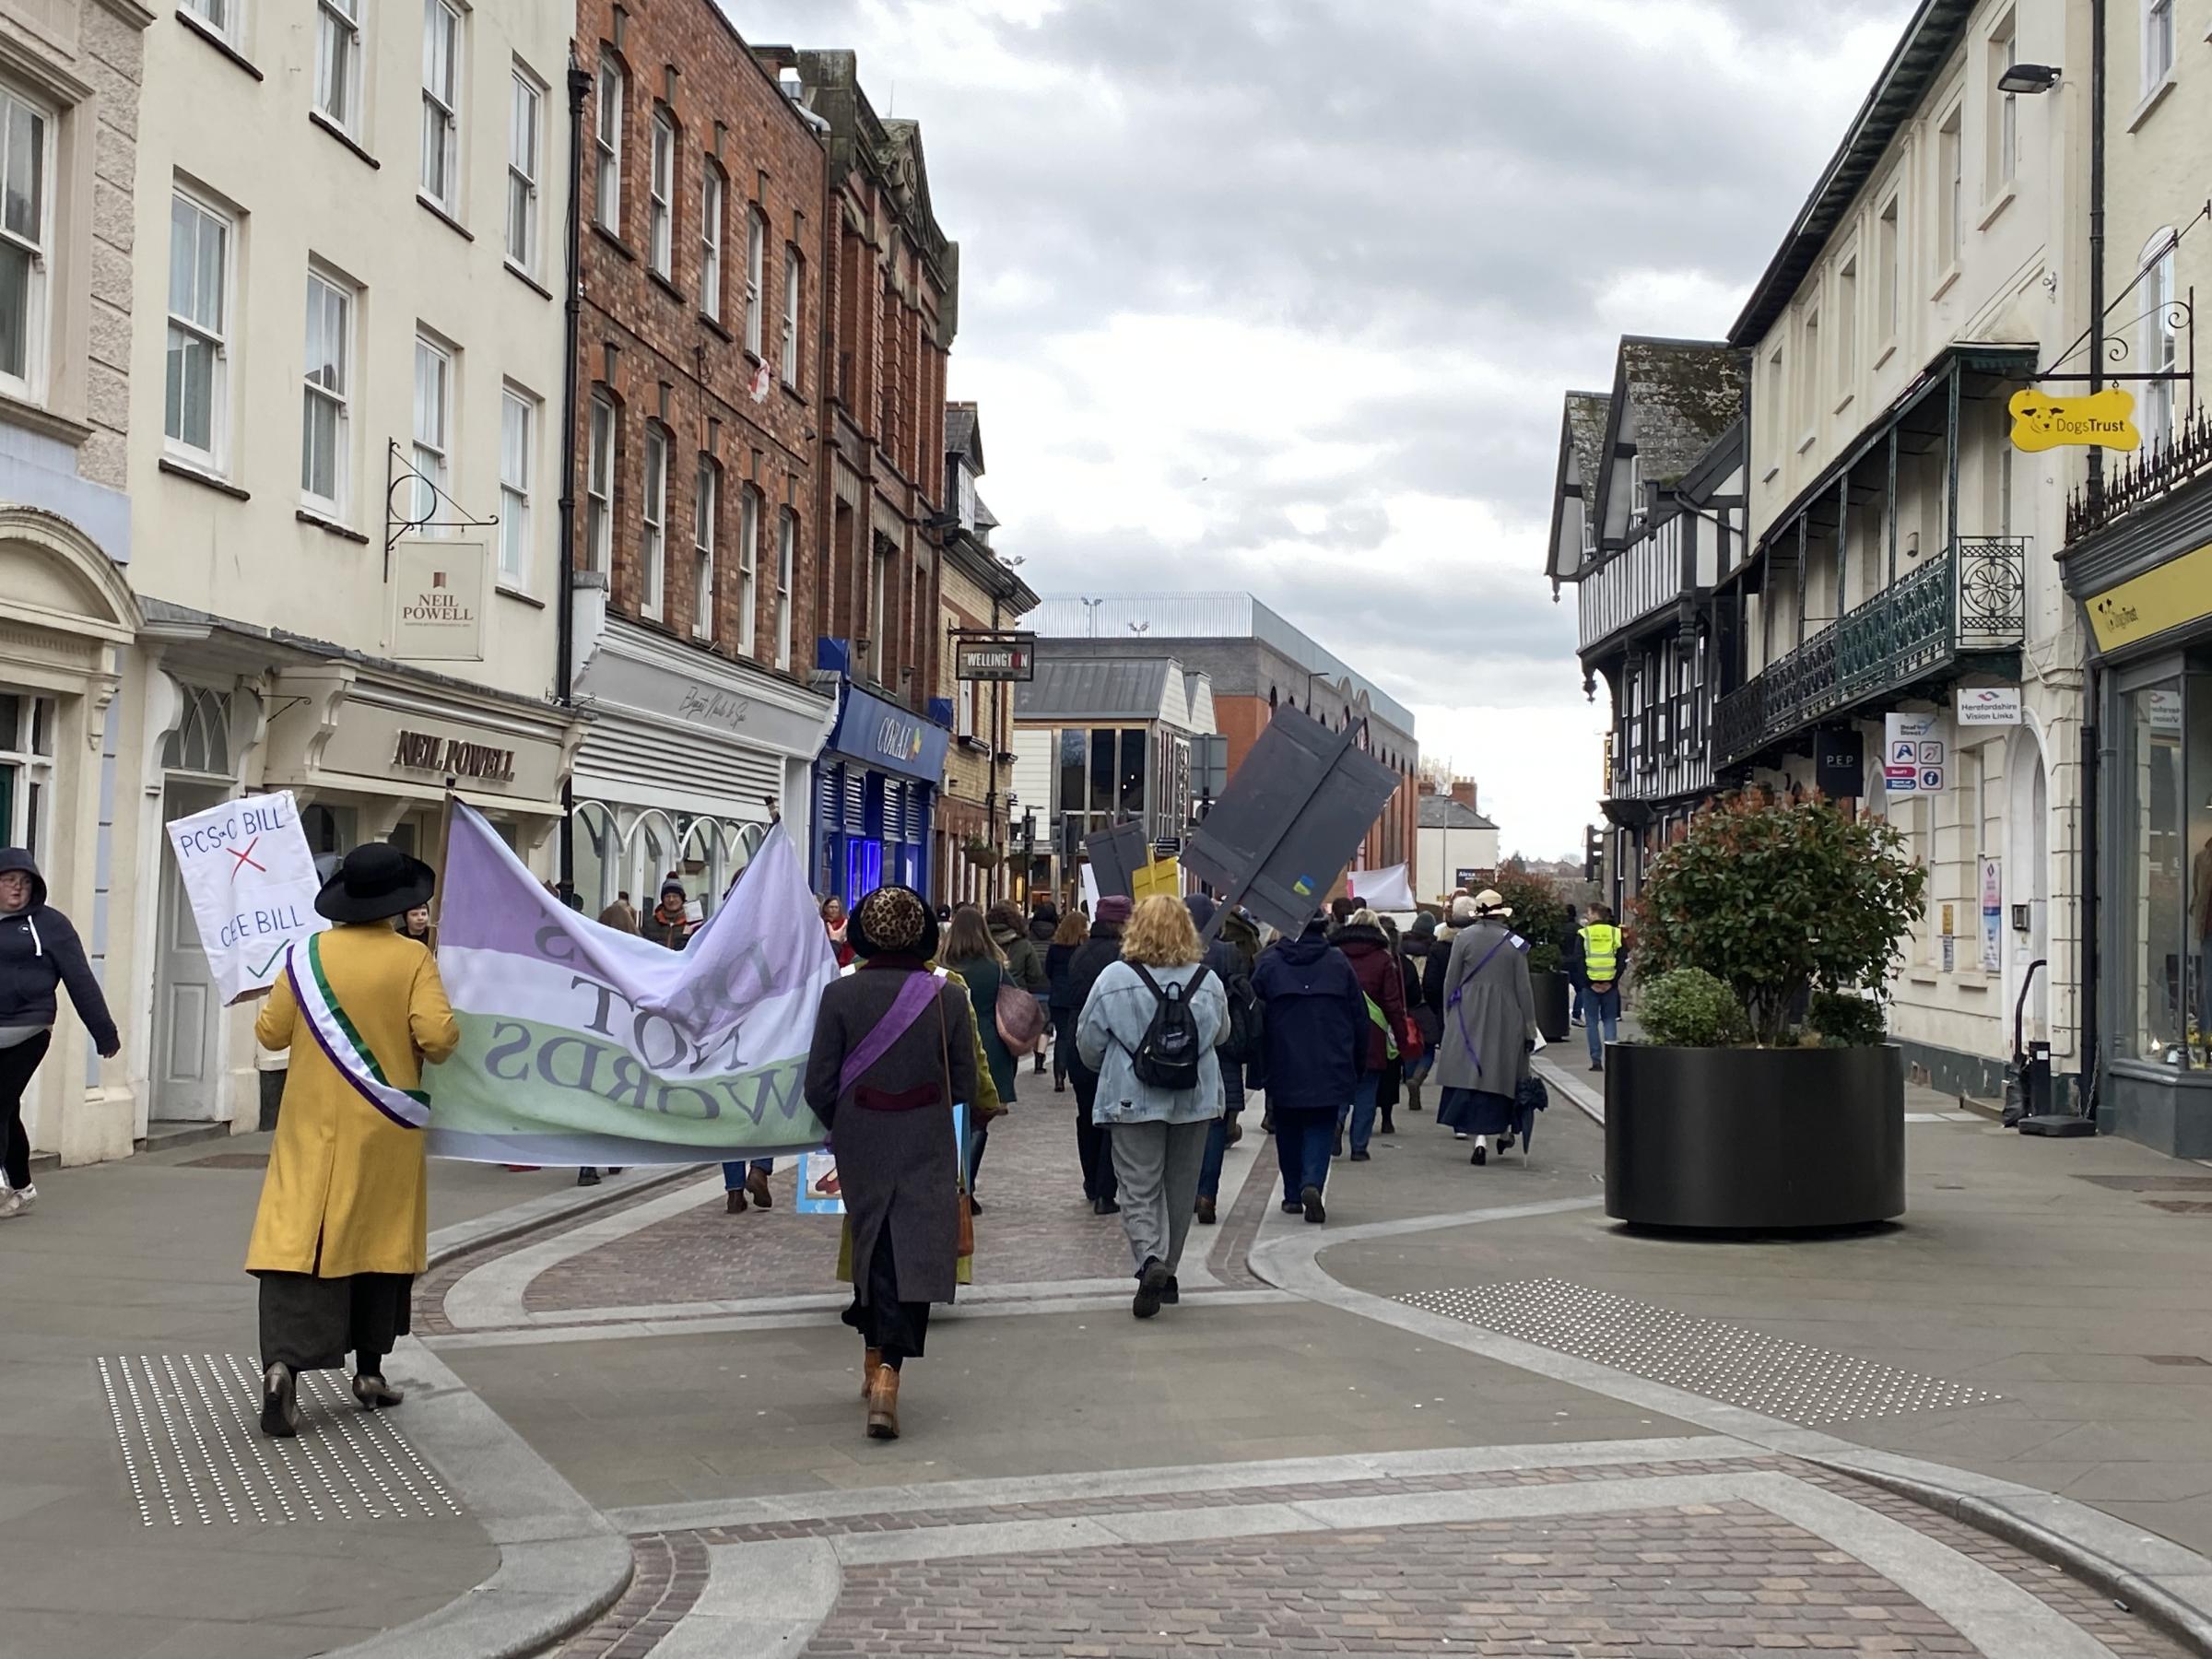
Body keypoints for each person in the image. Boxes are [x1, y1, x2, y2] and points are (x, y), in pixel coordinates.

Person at [247, 843, 458, 1436]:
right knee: (377, 1245)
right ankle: (369, 1372)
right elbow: (438, 1038)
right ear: (397, 904)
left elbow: (271, 1034)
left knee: (300, 1242)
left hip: (308, 1129)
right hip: (383, 1130)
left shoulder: (305, 954)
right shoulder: (412, 960)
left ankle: (282, 1368)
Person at [804, 885, 979, 1440]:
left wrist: (848, 1117)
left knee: (872, 1240)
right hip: (925, 1136)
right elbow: (966, 1084)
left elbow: (817, 1084)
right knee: (917, 1250)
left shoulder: (839, 996)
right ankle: (889, 1373)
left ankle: (871, 1351)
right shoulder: (947, 996)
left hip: (862, 1136)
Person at [1077, 895, 1230, 1318]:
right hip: (1194, 1097)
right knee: (1180, 1190)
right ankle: (1171, 1271)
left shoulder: (1114, 978)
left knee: (1138, 1187)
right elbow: (1222, 1035)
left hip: (1131, 1098)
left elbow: (1088, 1042)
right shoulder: (1207, 981)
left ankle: (1149, 1259)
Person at [0, 849, 120, 1218]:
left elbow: (80, 978)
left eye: (24, 882)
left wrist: (104, 1032)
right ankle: (22, 1184)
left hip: (29, 1027)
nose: (17, 889)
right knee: (7, 1107)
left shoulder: (51, 925)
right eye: (8, 881)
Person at [1249, 912, 1367, 1224]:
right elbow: (1359, 1017)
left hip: (1282, 1059)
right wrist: (1359, 1060)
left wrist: (1257, 1061)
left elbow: (1253, 1017)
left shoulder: (1270, 963)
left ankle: (1291, 1195)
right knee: (1321, 1123)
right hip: (1330, 1058)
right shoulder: (1338, 963)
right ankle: (1312, 1182)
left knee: (1287, 1126)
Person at [1435, 888, 1537, 1165]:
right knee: (1502, 1073)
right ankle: (1503, 1129)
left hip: (1467, 1013)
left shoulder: (1463, 939)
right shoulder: (1516, 943)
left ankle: (1478, 1139)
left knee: (1471, 1072)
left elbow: (1450, 981)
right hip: (1506, 1016)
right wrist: (1530, 1026)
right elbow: (1524, 990)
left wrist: (1449, 1016)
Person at [1184, 894, 1251, 1226]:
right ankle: (1206, 1192)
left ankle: (1183, 1192)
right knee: (1213, 1125)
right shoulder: (1228, 953)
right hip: (1219, 1050)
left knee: (1181, 1122)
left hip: (1179, 1050)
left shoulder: (1174, 952)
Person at [940, 906, 1013, 1206]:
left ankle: (954, 1181)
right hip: (989, 1046)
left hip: (948, 1043)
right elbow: (1017, 1000)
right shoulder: (995, 968)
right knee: (979, 1120)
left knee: (951, 1116)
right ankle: (965, 1187)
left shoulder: (942, 967)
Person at [1065, 896, 1130, 1212]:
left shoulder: (1080, 953)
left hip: (1076, 1041)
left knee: (1085, 1114)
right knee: (1112, 1119)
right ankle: (1106, 1192)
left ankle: (1090, 1182)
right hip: (1112, 1044)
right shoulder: (1123, 957)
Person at [1333, 908, 1406, 1161]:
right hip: (1373, 1032)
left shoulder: (1336, 955)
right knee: (1367, 1090)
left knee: (1341, 1085)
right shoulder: (1384, 959)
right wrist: (1402, 1036)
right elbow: (1393, 1003)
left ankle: (1337, 1122)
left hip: (1340, 1029)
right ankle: (1359, 1147)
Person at [988, 901, 1050, 1074]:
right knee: (1010, 1047)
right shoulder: (1023, 944)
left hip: (987, 1000)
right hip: (1014, 1003)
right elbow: (1035, 974)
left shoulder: (983, 941)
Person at [1400, 912, 1442, 1113]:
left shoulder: (1402, 946)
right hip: (1425, 1003)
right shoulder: (1432, 949)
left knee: (1409, 1043)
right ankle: (1417, 1078)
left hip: (1405, 1001)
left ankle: (1409, 1077)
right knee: (1428, 1045)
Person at [1044, 908, 1088, 1094]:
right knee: (1077, 1035)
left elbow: (1048, 971)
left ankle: (1059, 1075)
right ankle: (1074, 1071)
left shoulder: (1054, 949)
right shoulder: (1083, 949)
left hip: (1058, 996)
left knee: (1061, 1036)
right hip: (1077, 996)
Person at [1579, 902, 1627, 1072]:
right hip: (1610, 986)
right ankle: (1612, 1060)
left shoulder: (1584, 934)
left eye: (1589, 913)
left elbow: (1579, 960)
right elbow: (1622, 960)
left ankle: (1596, 1061)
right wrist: (1612, 982)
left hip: (1590, 985)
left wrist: (1590, 982)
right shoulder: (1616, 933)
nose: (1587, 916)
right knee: (1609, 1021)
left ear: (1595, 915)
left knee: (1591, 1023)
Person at [641, 879, 693, 950]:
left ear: (682, 899)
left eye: (675, 896)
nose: (671, 900)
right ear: (663, 899)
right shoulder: (650, 923)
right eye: (667, 896)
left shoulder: (693, 923)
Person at [1560, 903, 1586, 1028]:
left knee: (1560, 991)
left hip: (1561, 962)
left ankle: (1561, 1017)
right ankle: (1576, 1015)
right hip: (1575, 963)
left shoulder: (1558, 928)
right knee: (1581, 989)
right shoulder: (1579, 929)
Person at [822, 896, 854, 969]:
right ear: (825, 908)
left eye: (836, 907)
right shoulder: (821, 923)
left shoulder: (845, 923)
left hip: (844, 960)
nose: (834, 910)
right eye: (831, 907)